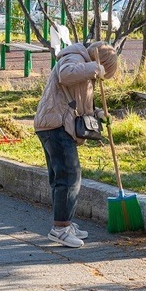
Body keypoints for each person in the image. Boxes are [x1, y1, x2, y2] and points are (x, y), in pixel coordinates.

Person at [33, 41, 118, 248]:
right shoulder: (74, 58)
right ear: (100, 61)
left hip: (54, 123)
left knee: (60, 177)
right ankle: (60, 229)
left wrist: (98, 114)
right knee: (69, 176)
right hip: (56, 124)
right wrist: (94, 69)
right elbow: (66, 74)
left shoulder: (84, 67)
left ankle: (65, 222)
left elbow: (81, 102)